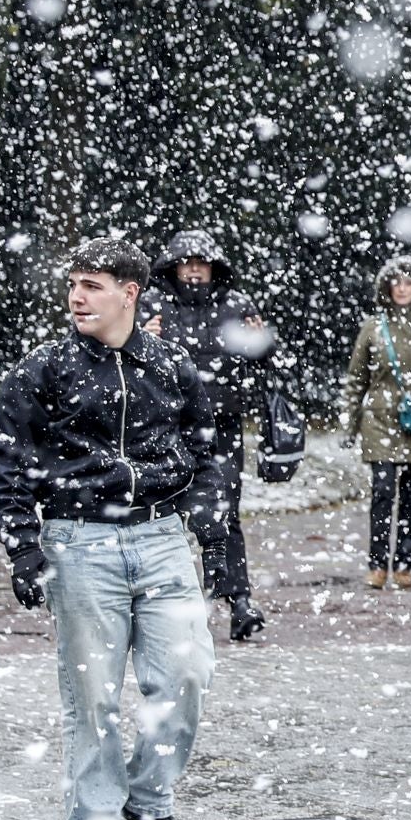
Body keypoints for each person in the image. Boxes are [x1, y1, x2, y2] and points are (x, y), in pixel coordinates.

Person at [0, 238, 228, 820]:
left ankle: (149, 798)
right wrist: (22, 547)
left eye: (92, 285)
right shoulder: (41, 370)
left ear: (131, 292)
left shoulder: (172, 367)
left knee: (187, 676)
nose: (76, 296)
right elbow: (8, 463)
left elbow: (209, 449)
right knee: (92, 695)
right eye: (73, 284)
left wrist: (207, 513)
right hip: (79, 542)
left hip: (162, 537)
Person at [139, 229, 271, 641]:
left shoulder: (236, 306)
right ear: (174, 266)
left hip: (222, 426)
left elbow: (264, 367)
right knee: (161, 515)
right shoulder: (153, 306)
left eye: (201, 262)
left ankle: (238, 598)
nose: (194, 269)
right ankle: (162, 606)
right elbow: (126, 361)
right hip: (166, 425)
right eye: (187, 261)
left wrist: (262, 345)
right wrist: (143, 337)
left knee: (225, 510)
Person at [342, 255, 411, 590]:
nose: (402, 288)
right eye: (396, 282)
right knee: (383, 493)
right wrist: (351, 423)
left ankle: (404, 564)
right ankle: (376, 564)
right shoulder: (373, 328)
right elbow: (356, 378)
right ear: (386, 287)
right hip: (379, 420)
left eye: (408, 282)